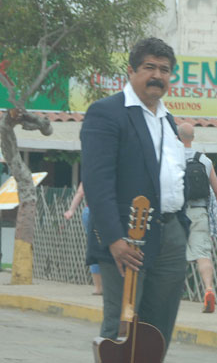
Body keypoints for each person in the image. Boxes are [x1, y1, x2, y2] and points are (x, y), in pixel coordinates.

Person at [80, 37, 188, 352]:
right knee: (120, 331)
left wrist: (181, 228)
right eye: (150, 67)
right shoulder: (107, 113)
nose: (158, 75)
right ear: (131, 70)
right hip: (128, 239)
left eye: (165, 70)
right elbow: (97, 181)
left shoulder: (168, 121)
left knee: (157, 331)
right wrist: (114, 239)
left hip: (170, 236)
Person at [178, 122, 217, 313]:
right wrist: (214, 208)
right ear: (193, 138)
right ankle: (209, 290)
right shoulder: (204, 160)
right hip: (200, 212)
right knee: (203, 255)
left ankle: (173, 295)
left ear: (177, 137)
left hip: (178, 213)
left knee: (174, 254)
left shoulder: (172, 157)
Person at [63, 182, 102, 295]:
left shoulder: (89, 173)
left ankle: (98, 287)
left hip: (89, 211)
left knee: (94, 248)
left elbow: (80, 193)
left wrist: (71, 210)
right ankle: (109, 286)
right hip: (105, 212)